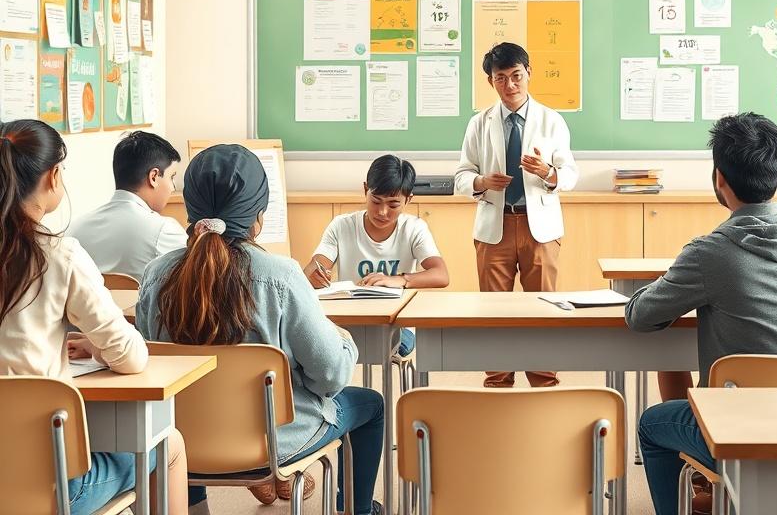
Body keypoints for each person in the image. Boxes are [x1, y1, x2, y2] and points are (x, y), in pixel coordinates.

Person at [135, 144, 384, 514]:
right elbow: (330, 377)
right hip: (272, 444)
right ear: (259, 217)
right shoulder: (281, 276)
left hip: (179, 443)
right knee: (371, 404)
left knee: (183, 417)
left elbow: (150, 366)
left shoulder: (157, 274)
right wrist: (344, 342)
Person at [626, 113, 777, 515]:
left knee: (652, 423)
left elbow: (640, 317)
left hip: (743, 431)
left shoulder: (711, 252)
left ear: (720, 179)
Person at [0, 119, 190, 514]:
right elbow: (131, 356)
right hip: (46, 483)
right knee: (167, 443)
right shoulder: (58, 255)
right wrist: (100, 350)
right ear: (53, 176)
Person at [454, 41, 578, 388]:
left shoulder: (551, 120)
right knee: (495, 313)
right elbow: (462, 175)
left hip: (540, 227)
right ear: (491, 82)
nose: (510, 85)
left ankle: (543, 381)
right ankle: (497, 381)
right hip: (496, 226)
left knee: (544, 309)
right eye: (501, 78)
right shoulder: (479, 123)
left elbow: (570, 174)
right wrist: (481, 181)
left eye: (516, 76)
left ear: (528, 74)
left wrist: (547, 172)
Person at [304, 155, 449, 358]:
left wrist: (399, 280)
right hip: (349, 321)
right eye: (376, 201)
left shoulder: (414, 228)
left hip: (397, 324)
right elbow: (313, 267)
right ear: (366, 190)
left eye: (393, 205)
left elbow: (441, 275)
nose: (382, 212)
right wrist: (313, 274)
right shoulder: (342, 226)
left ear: (408, 199)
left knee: (387, 343)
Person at [69, 131, 187, 282]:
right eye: (171, 177)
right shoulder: (164, 231)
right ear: (154, 177)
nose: (172, 186)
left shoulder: (75, 229)